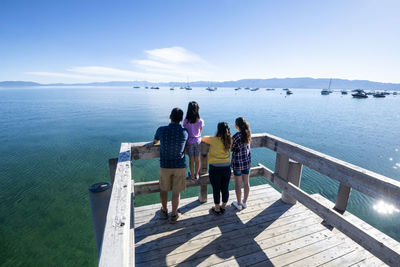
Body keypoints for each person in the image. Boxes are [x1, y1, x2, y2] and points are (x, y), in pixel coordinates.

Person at [153, 108, 188, 223]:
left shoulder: (161, 130)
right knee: (176, 191)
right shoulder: (185, 132)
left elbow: (155, 142)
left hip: (165, 165)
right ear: (181, 119)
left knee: (163, 189)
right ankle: (174, 215)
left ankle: (164, 211)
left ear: (170, 117)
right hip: (179, 165)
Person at [202, 122, 232, 215]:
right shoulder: (230, 140)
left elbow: (202, 138)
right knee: (225, 188)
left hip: (215, 168)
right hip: (226, 168)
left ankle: (217, 209)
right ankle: (223, 206)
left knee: (216, 189)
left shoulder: (213, 140)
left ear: (218, 130)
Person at [231, 117, 252, 211]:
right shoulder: (248, 134)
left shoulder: (236, 136)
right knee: (246, 183)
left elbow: (231, 148)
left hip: (238, 164)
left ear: (237, 126)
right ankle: (244, 202)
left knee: (238, 184)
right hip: (246, 162)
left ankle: (239, 204)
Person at [183, 101, 205, 180]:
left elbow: (185, 131)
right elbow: (200, 131)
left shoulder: (186, 121)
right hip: (198, 141)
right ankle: (196, 175)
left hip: (189, 142)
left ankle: (192, 175)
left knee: (191, 160)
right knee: (197, 159)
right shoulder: (200, 121)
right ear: (197, 110)